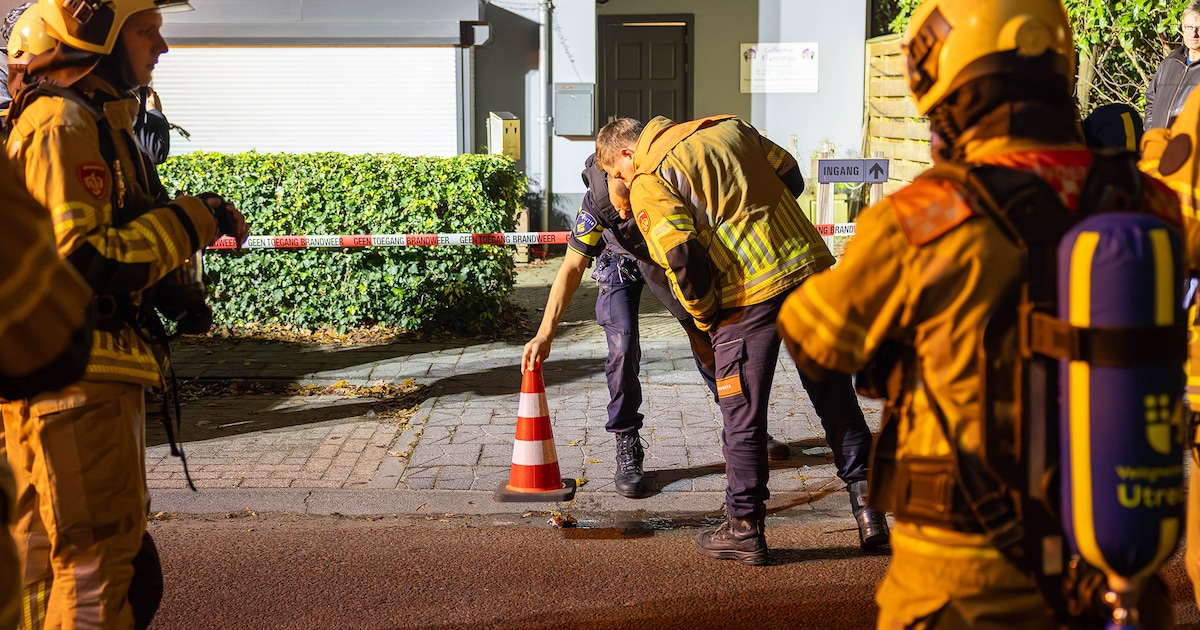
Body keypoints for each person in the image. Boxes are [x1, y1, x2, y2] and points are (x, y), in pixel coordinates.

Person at [777, 0, 1187, 626]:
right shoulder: (1147, 199)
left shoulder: (921, 219)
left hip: (962, 579)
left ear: (954, 99)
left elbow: (813, 338)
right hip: (1114, 574)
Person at [1, 0, 249, 627]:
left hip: (76, 378)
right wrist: (191, 221)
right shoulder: (62, 124)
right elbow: (81, 261)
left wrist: (177, 273)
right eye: (147, 30)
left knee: (40, 562)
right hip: (81, 386)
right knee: (98, 566)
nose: (160, 46)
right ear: (95, 39)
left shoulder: (96, 123)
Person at [595, 115, 889, 565]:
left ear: (628, 153)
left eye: (617, 172)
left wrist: (704, 316)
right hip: (807, 273)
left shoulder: (650, 179)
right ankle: (870, 515)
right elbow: (790, 174)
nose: (621, 182)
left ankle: (744, 528)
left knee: (743, 416)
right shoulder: (729, 127)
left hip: (745, 298)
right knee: (835, 399)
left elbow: (682, 254)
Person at [521, 154, 792, 498]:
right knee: (622, 347)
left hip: (660, 256)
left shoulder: (662, 178)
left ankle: (742, 425)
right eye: (618, 207)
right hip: (617, 262)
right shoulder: (597, 205)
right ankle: (627, 443)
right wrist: (545, 333)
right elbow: (571, 269)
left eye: (628, 208)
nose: (622, 213)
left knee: (704, 334)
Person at [1146, 0, 1200, 130]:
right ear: (1182, 27)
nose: (1194, 34)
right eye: (1189, 27)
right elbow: (1150, 102)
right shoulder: (1170, 63)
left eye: (1199, 28)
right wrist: (1151, 134)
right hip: (1160, 146)